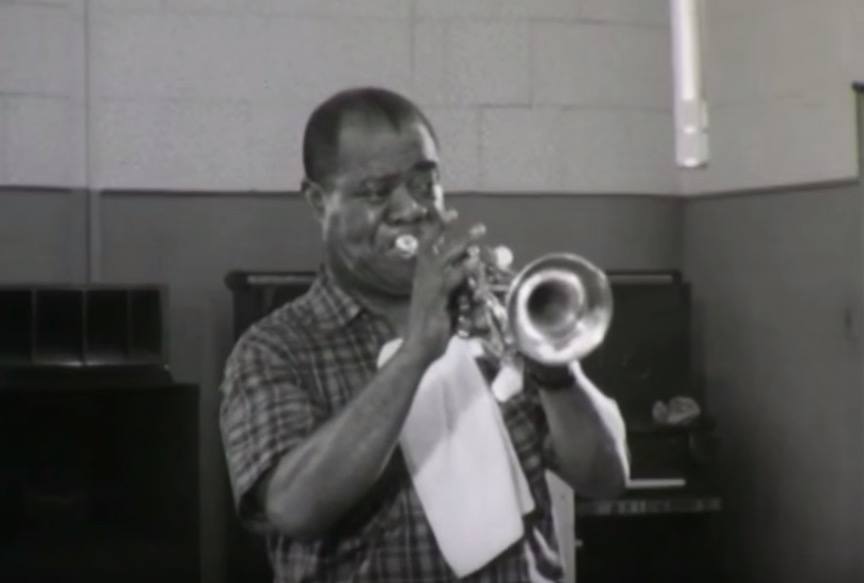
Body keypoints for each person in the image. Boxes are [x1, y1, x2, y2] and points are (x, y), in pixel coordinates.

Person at [219, 87, 629, 583]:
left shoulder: (493, 314)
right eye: (375, 192)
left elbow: (606, 478)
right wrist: (417, 351)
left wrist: (555, 370)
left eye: (425, 183)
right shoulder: (272, 348)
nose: (411, 208)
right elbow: (294, 509)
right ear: (317, 202)